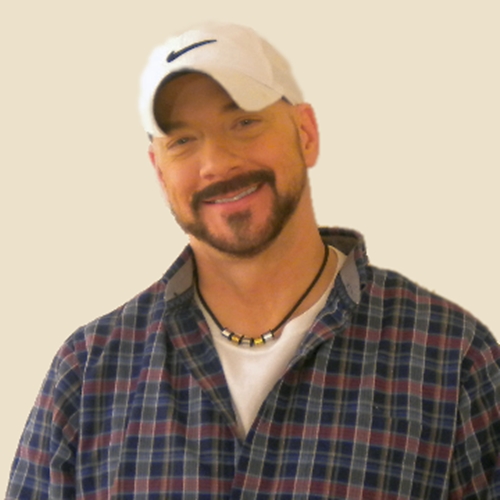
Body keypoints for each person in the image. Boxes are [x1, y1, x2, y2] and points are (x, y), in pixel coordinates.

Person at [7, 21, 500, 499]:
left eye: (244, 122)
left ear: (305, 133)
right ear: (159, 171)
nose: (217, 163)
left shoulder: (452, 359)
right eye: (182, 140)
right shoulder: (89, 372)